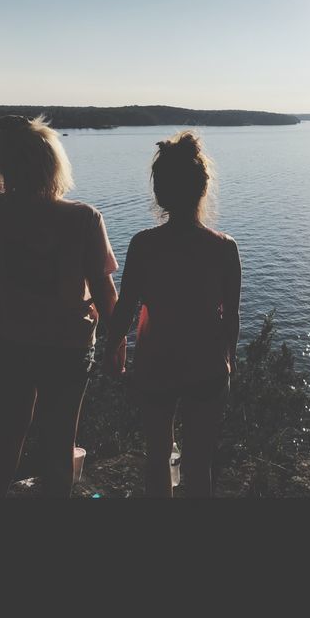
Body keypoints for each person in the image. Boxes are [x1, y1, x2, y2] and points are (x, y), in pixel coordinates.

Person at [0, 114, 122, 496]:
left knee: (9, 432)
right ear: (54, 163)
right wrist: (119, 339)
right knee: (60, 443)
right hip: (65, 346)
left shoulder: (3, 213)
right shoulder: (84, 218)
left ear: (8, 166)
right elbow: (105, 291)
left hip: (7, 341)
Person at [103, 131, 241, 497]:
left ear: (160, 193)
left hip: (156, 365)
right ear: (202, 188)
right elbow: (232, 320)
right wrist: (230, 362)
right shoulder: (225, 248)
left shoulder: (144, 245)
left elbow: (126, 309)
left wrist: (111, 350)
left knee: (158, 458)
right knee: (198, 465)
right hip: (208, 368)